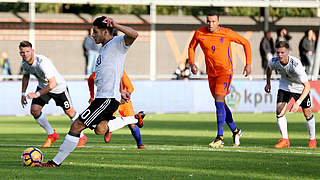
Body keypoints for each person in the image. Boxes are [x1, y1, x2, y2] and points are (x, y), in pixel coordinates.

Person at [41, 16, 143, 167]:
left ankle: (55, 162)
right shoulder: (104, 50)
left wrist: (116, 24)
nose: (92, 35)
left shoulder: (117, 42)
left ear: (105, 31)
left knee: (76, 125)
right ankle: (133, 118)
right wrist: (119, 91)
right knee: (100, 129)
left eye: (95, 32)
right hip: (107, 97)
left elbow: (134, 34)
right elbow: (112, 74)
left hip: (106, 100)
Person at [188, 11, 252, 148]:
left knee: (218, 102)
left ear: (218, 22)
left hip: (225, 72)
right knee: (220, 103)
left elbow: (245, 43)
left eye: (213, 21)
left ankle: (220, 137)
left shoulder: (226, 33)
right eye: (208, 21)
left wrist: (248, 63)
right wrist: (192, 63)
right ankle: (236, 131)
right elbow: (191, 47)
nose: (211, 24)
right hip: (211, 74)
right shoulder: (200, 33)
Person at [19, 41, 87, 147]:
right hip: (43, 87)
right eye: (22, 52)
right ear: (20, 53)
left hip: (58, 88)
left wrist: (37, 94)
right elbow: (26, 76)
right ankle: (52, 135)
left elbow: (53, 84)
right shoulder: (24, 63)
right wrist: (23, 93)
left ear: (32, 51)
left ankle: (81, 136)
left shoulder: (42, 62)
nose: (25, 54)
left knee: (70, 112)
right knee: (35, 110)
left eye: (27, 51)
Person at [264, 41, 317, 149]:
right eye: (278, 52)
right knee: (279, 111)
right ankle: (285, 139)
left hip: (300, 88)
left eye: (282, 52)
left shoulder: (296, 65)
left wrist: (297, 103)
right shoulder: (274, 61)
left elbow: (307, 86)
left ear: (288, 52)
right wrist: (268, 83)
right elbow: (268, 68)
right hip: (285, 86)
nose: (280, 55)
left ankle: (312, 140)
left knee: (307, 114)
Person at [88, 70, 145, 149]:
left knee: (132, 125)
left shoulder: (120, 70)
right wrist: (92, 96)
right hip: (109, 101)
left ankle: (140, 144)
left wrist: (126, 95)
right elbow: (90, 80)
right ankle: (112, 128)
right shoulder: (98, 73)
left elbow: (130, 87)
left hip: (123, 101)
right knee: (102, 126)